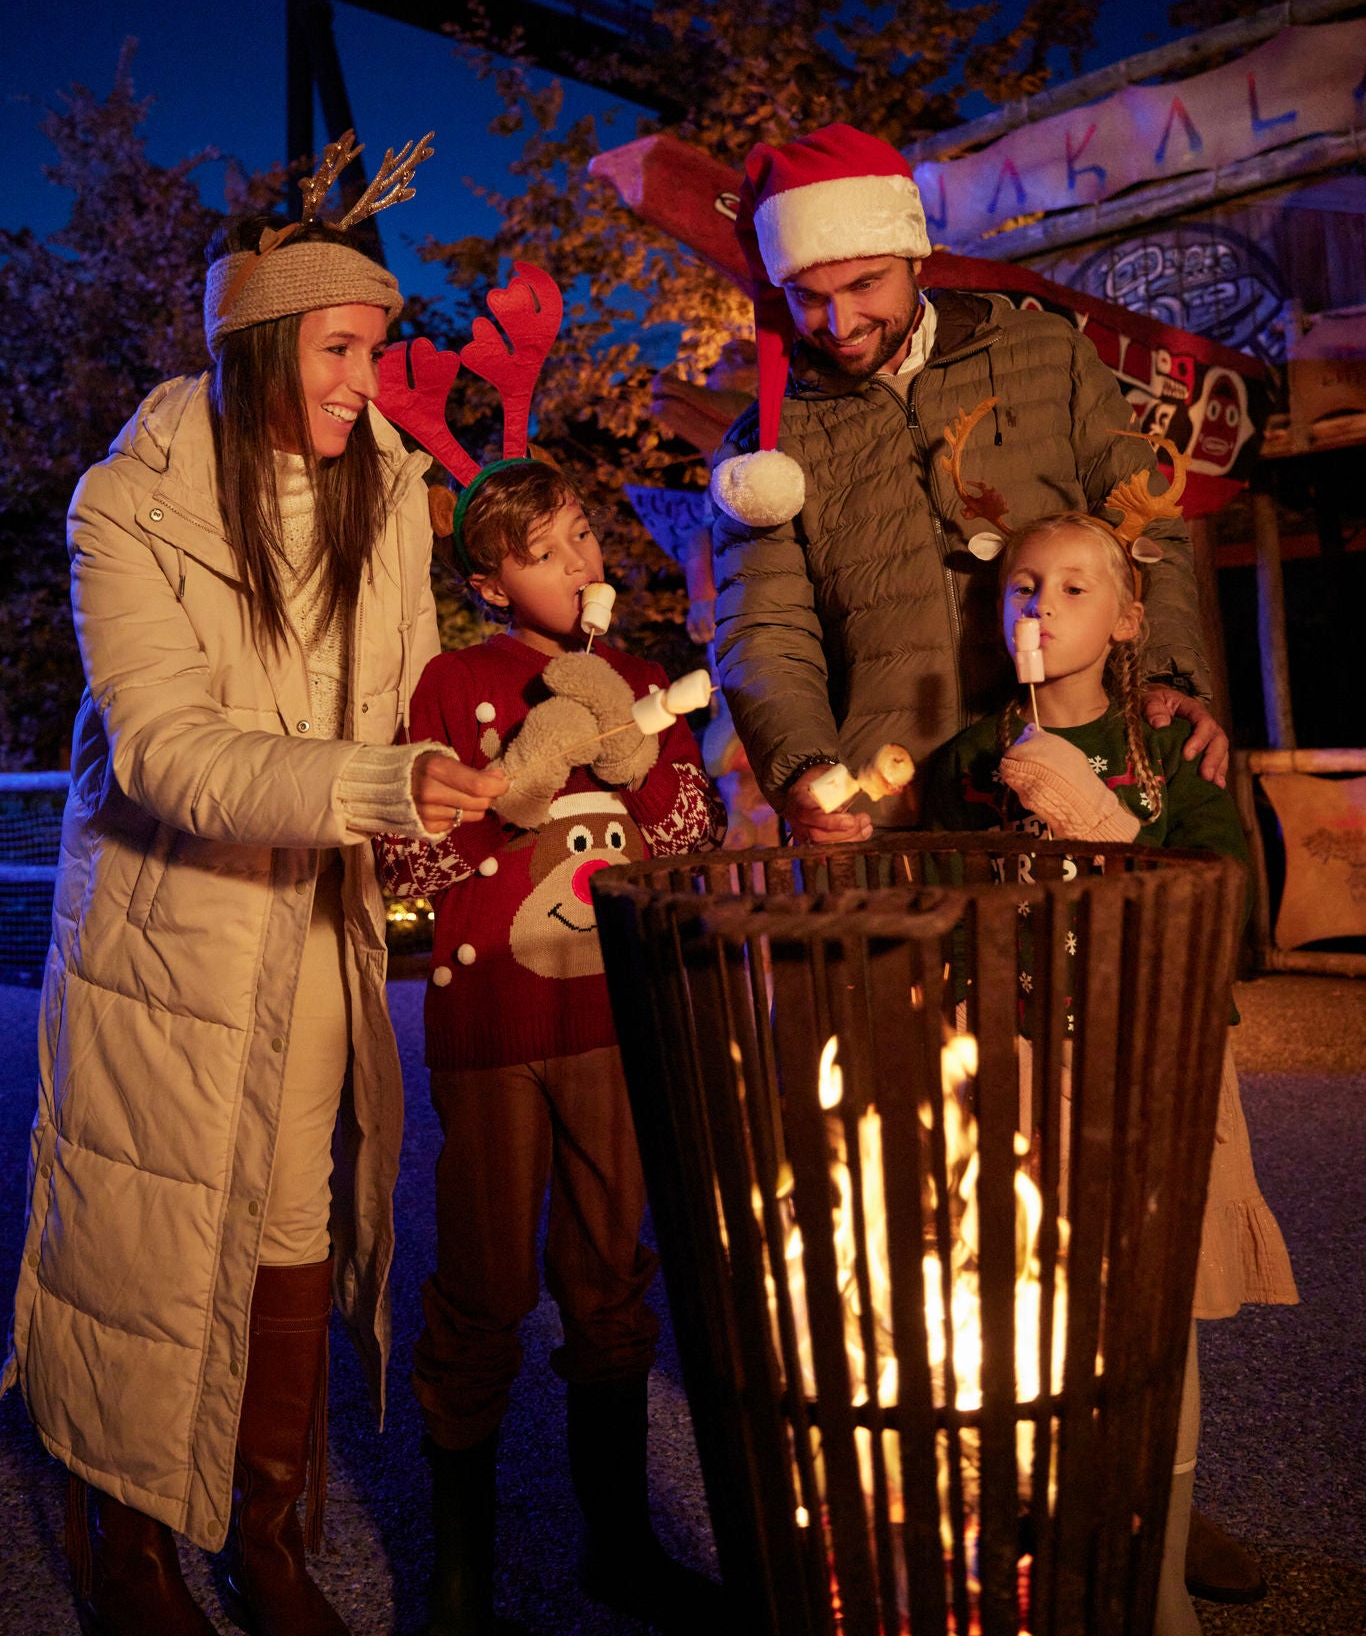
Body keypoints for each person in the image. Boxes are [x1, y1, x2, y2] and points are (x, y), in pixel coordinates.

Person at [2, 138, 506, 1636]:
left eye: (380, 347)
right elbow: (161, 751)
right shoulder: (127, 507)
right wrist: (373, 787)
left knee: (293, 1219)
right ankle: (124, 1540)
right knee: (147, 1233)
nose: (370, 377)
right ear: (261, 344)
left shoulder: (389, 496)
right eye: (343, 349)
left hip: (316, 940)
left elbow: (412, 700)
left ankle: (266, 1528)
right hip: (170, 938)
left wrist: (502, 758)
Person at [923, 509, 1297, 1631]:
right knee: (1031, 1306)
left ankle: (1165, 1569)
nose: (1041, 602)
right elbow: (942, 921)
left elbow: (1221, 894)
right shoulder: (967, 760)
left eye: (1076, 587)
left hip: (1154, 1055)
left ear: (1132, 615)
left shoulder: (1171, 749)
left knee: (1151, 1321)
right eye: (1024, 583)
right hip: (1023, 1060)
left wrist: (1092, 816)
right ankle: (1056, 1530)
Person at [376, 455, 726, 1636]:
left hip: (608, 1018)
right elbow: (411, 860)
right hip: (491, 1023)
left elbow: (684, 828)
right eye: (545, 549)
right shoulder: (451, 679)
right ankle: (460, 1574)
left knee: (609, 1267)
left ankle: (618, 1546)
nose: (580, 561)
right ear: (488, 582)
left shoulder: (637, 676)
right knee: (479, 1277)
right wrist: (462, 796)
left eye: (583, 533)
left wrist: (636, 740)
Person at [707, 122, 1229, 846]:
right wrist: (803, 770)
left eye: (866, 284)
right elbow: (764, 631)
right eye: (809, 297)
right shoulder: (758, 453)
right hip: (886, 809)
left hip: (1076, 773)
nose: (843, 322)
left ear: (914, 255)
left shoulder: (1045, 356)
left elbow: (1144, 528)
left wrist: (1169, 678)